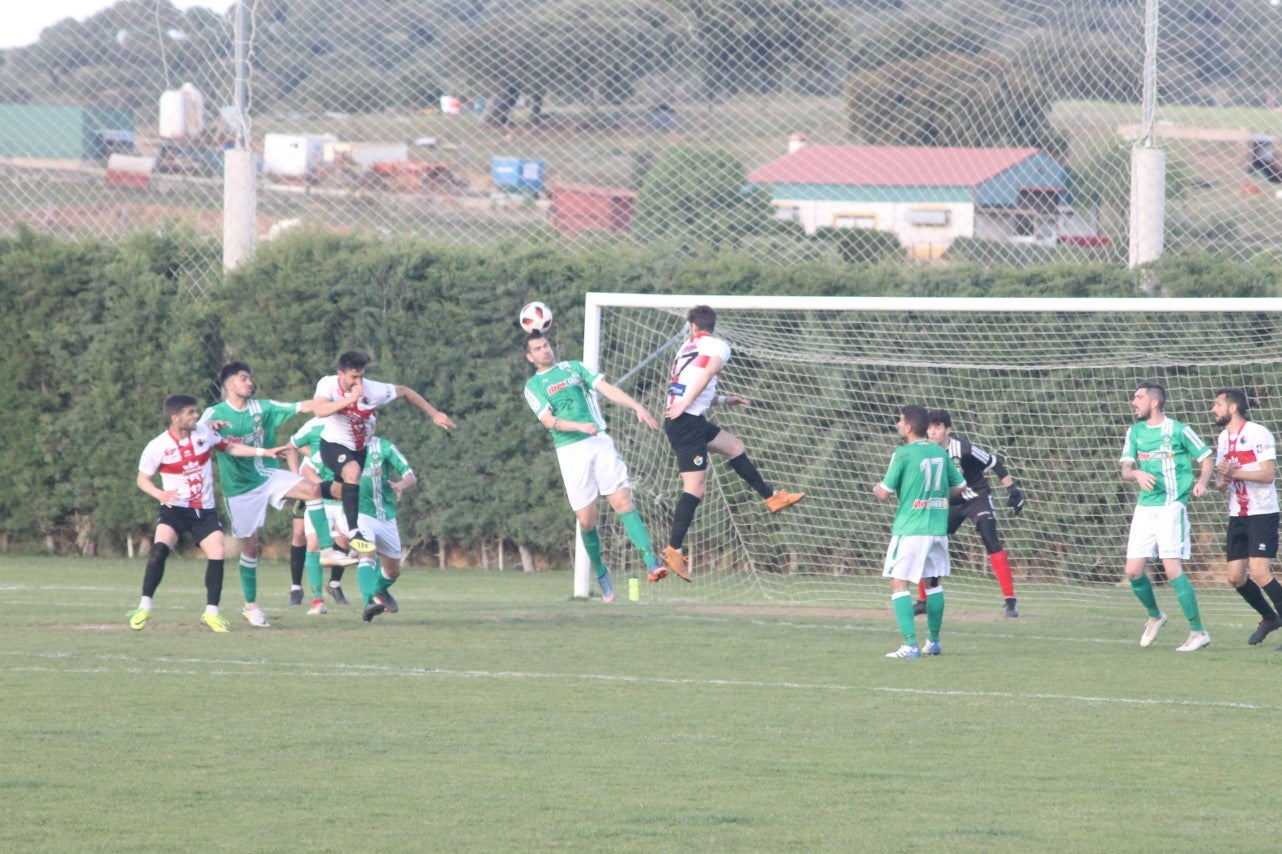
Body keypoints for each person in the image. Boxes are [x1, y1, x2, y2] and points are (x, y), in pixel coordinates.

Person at [657, 305, 805, 583]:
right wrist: (685, 404)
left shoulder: (686, 349)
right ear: (712, 325)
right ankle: (673, 550)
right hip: (686, 422)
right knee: (695, 489)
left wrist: (724, 400)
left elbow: (698, 386)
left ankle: (772, 497)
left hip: (690, 419)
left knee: (735, 447)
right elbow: (707, 375)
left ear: (692, 327)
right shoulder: (718, 346)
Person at [202, 360, 355, 628]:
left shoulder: (263, 408)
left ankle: (327, 550)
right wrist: (208, 427)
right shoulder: (213, 413)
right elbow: (194, 433)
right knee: (251, 548)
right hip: (239, 490)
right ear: (229, 384)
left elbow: (302, 406)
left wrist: (336, 401)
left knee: (312, 490)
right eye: (243, 378)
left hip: (266, 474)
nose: (250, 382)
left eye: (250, 378)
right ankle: (250, 606)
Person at [523, 331, 666, 601]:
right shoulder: (533, 386)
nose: (545, 350)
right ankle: (601, 572)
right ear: (529, 357)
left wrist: (635, 405)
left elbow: (606, 388)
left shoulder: (573, 368)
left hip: (599, 442)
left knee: (623, 502)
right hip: (570, 451)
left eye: (546, 345)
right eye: (538, 349)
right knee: (586, 520)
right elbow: (547, 421)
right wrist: (579, 427)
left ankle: (651, 562)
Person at [129, 394, 286, 632]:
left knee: (217, 553)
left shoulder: (204, 432)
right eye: (191, 412)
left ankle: (211, 613)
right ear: (175, 418)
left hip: (204, 510)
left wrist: (264, 452)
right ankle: (144, 607)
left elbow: (230, 447)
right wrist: (159, 494)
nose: (196, 415)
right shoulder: (157, 446)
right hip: (175, 509)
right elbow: (142, 479)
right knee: (160, 548)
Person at [313, 350, 455, 555]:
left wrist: (435, 414)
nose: (358, 382)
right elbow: (319, 411)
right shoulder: (327, 384)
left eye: (361, 376)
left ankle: (307, 493)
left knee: (337, 491)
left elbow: (405, 391)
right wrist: (350, 399)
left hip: (358, 450)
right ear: (340, 374)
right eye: (354, 377)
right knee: (352, 471)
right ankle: (354, 533)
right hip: (332, 444)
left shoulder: (372, 390)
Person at [1120, 382, 1213, 652]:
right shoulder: (1134, 432)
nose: (1133, 402)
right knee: (1133, 571)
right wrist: (1137, 473)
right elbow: (1126, 470)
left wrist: (1202, 482)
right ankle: (1155, 615)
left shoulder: (1179, 429)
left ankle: (1198, 631)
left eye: (1138, 397)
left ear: (1154, 402)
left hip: (1172, 506)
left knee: (1172, 568)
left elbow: (1206, 458)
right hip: (1145, 508)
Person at [874, 405, 965, 658]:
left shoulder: (902, 453)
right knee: (933, 583)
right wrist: (937, 496)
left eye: (900, 420)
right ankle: (933, 642)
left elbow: (884, 493)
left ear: (909, 427)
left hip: (911, 529)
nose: (897, 424)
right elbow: (960, 486)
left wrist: (876, 488)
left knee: (898, 582)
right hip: (937, 528)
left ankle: (910, 645)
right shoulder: (939, 451)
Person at [919, 409, 1027, 618]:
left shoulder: (964, 448)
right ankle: (923, 601)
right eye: (929, 427)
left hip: (976, 498)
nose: (932, 432)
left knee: (990, 538)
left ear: (947, 430)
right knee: (927, 542)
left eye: (937, 427)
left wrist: (1012, 490)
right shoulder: (924, 450)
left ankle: (1010, 601)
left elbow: (994, 463)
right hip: (949, 503)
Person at [1210, 388, 1282, 646]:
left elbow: (1268, 475)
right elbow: (1221, 482)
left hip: (1262, 512)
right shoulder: (1222, 438)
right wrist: (1222, 480)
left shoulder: (1257, 433)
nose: (1213, 409)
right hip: (1237, 513)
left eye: (1218, 404)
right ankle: (1270, 618)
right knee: (1235, 577)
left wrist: (1234, 473)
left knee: (1260, 572)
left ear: (1232, 408)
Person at [290, 417, 355, 614]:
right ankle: (317, 600)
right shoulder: (323, 445)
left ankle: (334, 584)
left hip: (343, 504)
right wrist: (324, 488)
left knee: (345, 539)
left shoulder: (354, 450)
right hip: (321, 503)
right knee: (312, 544)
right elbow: (305, 467)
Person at [356, 437, 416, 622]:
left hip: (386, 517)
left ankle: (379, 590)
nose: (368, 425)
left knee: (392, 572)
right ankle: (368, 603)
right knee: (367, 552)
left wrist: (400, 485)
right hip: (361, 514)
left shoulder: (385, 447)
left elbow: (410, 476)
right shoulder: (346, 446)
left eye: (371, 422)